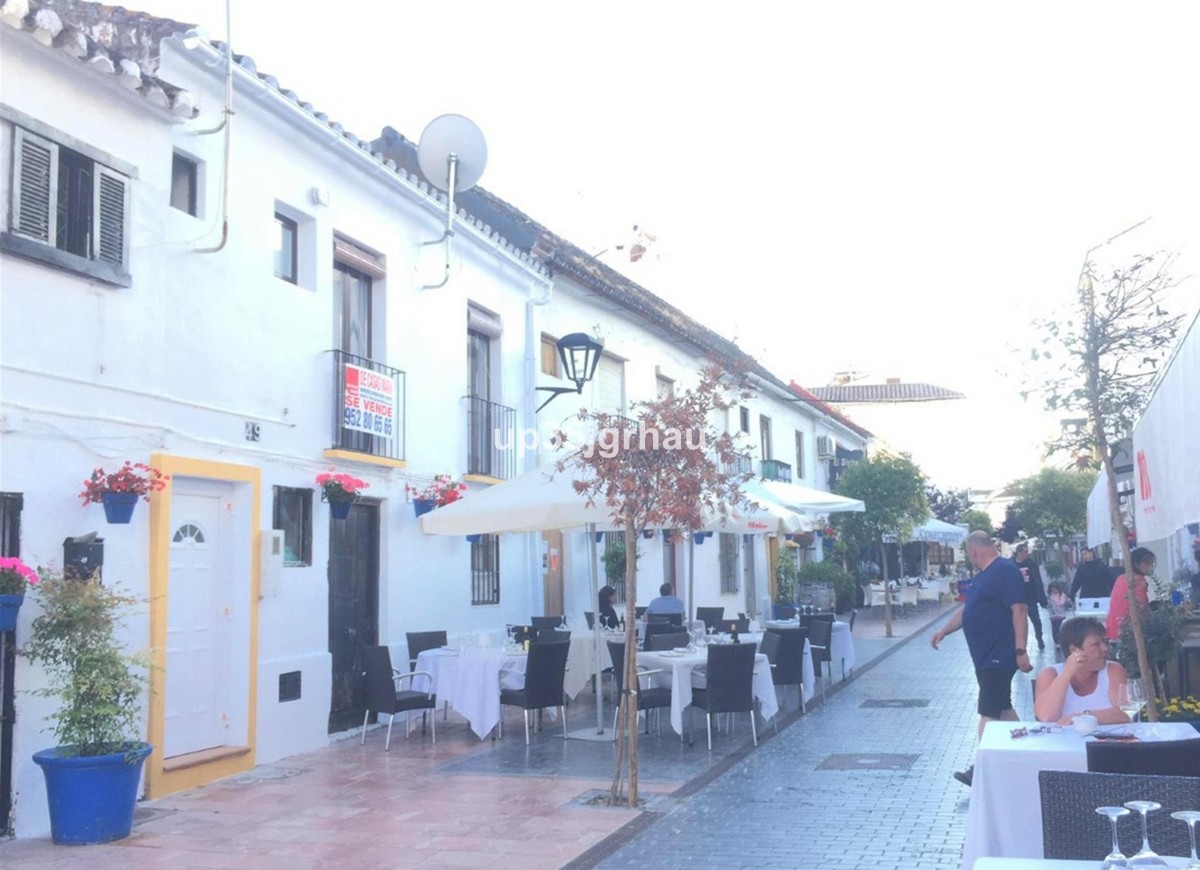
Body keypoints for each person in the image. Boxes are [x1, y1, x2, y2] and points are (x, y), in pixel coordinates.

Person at [931, 531, 1031, 787]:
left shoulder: (1004, 570)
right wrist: (944, 631)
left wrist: (1021, 650)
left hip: (998, 655)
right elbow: (969, 610)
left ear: (974, 550)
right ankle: (1028, 753)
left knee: (988, 710)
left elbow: (1020, 609)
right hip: (985, 656)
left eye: (968, 552)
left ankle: (981, 769)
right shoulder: (984, 576)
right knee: (1002, 708)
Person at [1034, 616, 1130, 725]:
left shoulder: (1113, 671)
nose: (1105, 649)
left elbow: (1125, 713)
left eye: (1104, 642)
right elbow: (1046, 717)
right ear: (1074, 650)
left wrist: (1085, 717)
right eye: (1096, 644)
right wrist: (1066, 674)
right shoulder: (1050, 674)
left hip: (1108, 736)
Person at [1105, 547, 1155, 641]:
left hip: (1112, 629)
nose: (1150, 566)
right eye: (1147, 562)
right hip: (1128, 632)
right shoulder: (1138, 580)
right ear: (1136, 563)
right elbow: (1143, 608)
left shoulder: (1120, 578)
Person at [1013, 542, 1048, 652]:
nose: (1027, 554)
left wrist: (1042, 598)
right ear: (1019, 553)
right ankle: (1018, 643)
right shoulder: (1011, 565)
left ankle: (1039, 637)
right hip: (1017, 599)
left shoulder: (1031, 564)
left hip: (1030, 597)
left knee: (1036, 620)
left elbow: (1037, 580)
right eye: (1025, 552)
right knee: (1017, 622)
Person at [1045, 581, 1074, 648]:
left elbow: (1067, 602)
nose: (1054, 591)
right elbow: (1047, 605)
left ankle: (1059, 641)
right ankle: (1056, 641)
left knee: (1058, 628)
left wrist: (1070, 605)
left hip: (1060, 614)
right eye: (1052, 590)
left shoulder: (1062, 596)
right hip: (1053, 615)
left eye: (1056, 590)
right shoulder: (1049, 597)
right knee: (1054, 629)